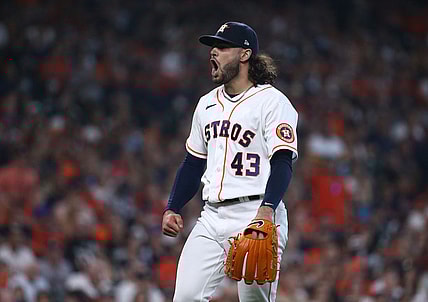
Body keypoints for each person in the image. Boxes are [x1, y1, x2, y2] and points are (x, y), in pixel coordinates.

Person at [161, 21, 298, 302]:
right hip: (211, 217)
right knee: (185, 297)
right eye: (213, 47)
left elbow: (283, 161)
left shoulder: (272, 102)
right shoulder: (206, 104)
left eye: (223, 47)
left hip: (256, 214)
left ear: (245, 55)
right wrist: (173, 206)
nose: (214, 52)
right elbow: (193, 163)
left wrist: (268, 209)